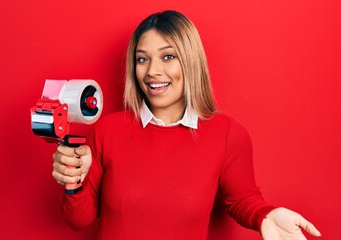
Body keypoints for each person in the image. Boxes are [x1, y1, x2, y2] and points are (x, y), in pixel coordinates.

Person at [52, 10, 321, 240]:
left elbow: (242, 200)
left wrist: (267, 216)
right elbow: (79, 220)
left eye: (168, 56)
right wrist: (73, 181)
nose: (153, 71)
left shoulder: (227, 134)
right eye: (142, 59)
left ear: (191, 61)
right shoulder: (107, 131)